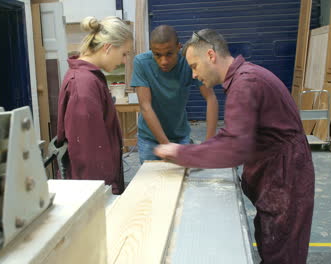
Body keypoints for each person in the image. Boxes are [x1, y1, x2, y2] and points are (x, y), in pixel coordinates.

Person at [154, 29, 315, 264]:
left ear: (211, 55)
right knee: (272, 246)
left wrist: (181, 153)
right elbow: (233, 133)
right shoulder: (245, 78)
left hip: (285, 180)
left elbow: (234, 148)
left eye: (194, 65)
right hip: (280, 177)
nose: (194, 74)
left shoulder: (246, 83)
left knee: (282, 254)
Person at [56, 16, 133, 195]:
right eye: (124, 53)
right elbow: (87, 155)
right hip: (91, 192)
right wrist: (107, 193)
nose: (124, 61)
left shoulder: (90, 78)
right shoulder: (83, 83)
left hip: (96, 187)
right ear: (108, 47)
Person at [131, 25, 219, 163]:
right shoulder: (141, 63)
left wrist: (209, 143)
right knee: (150, 181)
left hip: (180, 136)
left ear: (179, 47)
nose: (163, 61)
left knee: (182, 180)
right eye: (157, 55)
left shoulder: (189, 61)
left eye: (169, 54)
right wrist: (166, 146)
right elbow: (145, 106)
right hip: (149, 138)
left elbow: (210, 97)